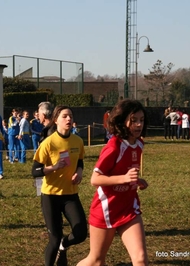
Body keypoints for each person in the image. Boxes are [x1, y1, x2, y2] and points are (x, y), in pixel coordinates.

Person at [77, 99, 149, 266]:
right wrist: (124, 178)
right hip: (106, 209)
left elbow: (125, 172)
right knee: (96, 261)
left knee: (140, 260)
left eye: (142, 120)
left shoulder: (139, 144)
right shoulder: (114, 146)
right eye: (134, 120)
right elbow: (95, 179)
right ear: (123, 121)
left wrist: (136, 181)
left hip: (129, 208)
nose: (139, 125)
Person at [32, 106, 87, 266]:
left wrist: (80, 172)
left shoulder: (78, 141)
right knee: (54, 240)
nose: (68, 119)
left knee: (81, 233)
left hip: (70, 194)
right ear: (56, 120)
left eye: (70, 116)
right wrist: (52, 168)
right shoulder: (48, 143)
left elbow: (80, 161)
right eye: (64, 116)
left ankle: (64, 246)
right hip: (50, 196)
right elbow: (35, 171)